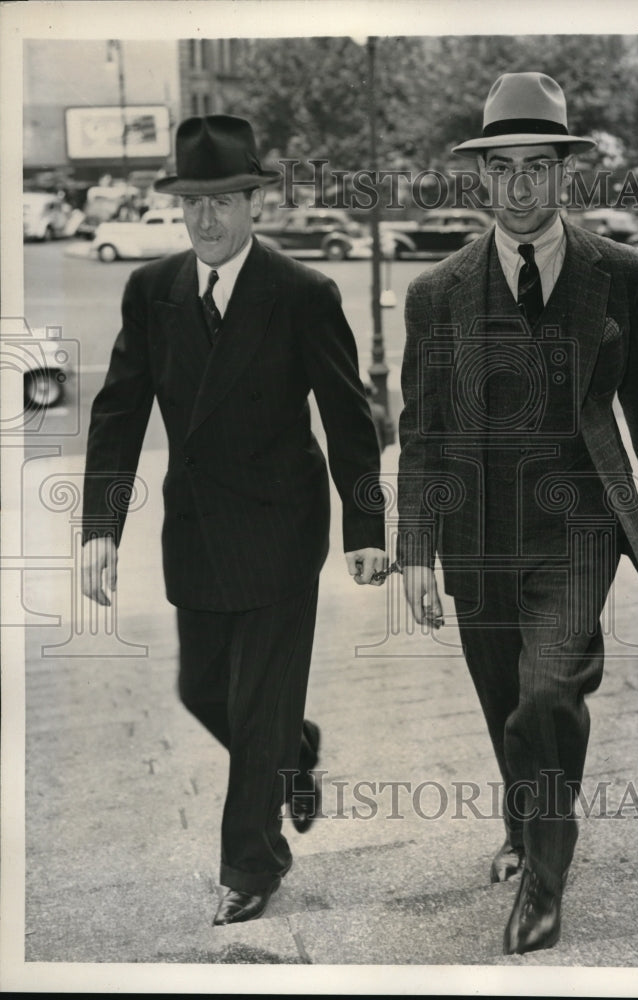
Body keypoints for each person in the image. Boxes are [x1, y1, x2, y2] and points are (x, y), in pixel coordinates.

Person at [397, 73, 638, 955]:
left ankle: (543, 881)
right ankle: (525, 825)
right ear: (481, 179)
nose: (519, 188)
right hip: (476, 530)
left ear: (564, 173)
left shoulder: (622, 276)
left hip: (576, 523)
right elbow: (422, 427)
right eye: (501, 169)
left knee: (549, 690)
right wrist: (414, 548)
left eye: (537, 167)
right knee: (501, 700)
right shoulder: (437, 293)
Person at [81, 115, 387, 925]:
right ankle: (297, 750)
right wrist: (99, 528)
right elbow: (118, 414)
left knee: (255, 706)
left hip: (283, 529)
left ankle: (252, 864)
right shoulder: (153, 291)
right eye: (192, 203)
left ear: (254, 200)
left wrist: (365, 532)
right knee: (200, 690)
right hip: (197, 529)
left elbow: (349, 419)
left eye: (222, 200)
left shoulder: (300, 293)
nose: (206, 219)